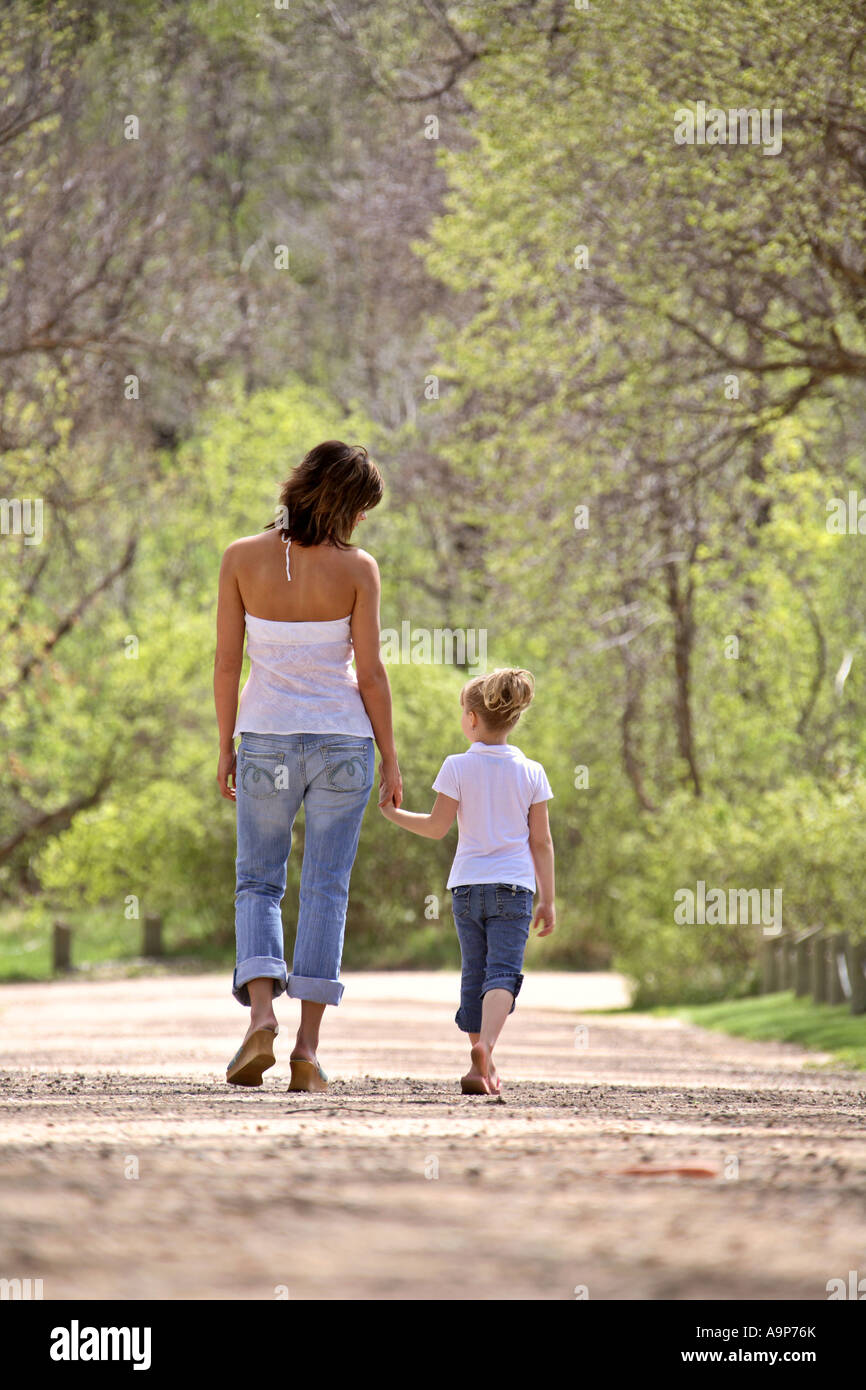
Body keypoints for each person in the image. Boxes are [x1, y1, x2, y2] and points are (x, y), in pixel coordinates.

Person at [214, 441, 402, 1090]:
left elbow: (225, 664)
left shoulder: (241, 558)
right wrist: (392, 756)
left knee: (258, 883)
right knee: (326, 887)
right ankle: (307, 1052)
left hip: (264, 737)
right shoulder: (359, 570)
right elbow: (371, 674)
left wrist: (224, 743)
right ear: (344, 505)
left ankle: (261, 1018)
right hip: (343, 743)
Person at [379, 668, 555, 1095]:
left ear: (473, 719)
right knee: (503, 974)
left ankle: (480, 1063)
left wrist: (392, 813)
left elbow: (437, 827)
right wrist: (548, 899)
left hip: (466, 889)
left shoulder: (457, 766)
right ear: (513, 718)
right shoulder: (532, 772)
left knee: (474, 974)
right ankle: (488, 1053)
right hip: (514, 889)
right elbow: (541, 842)